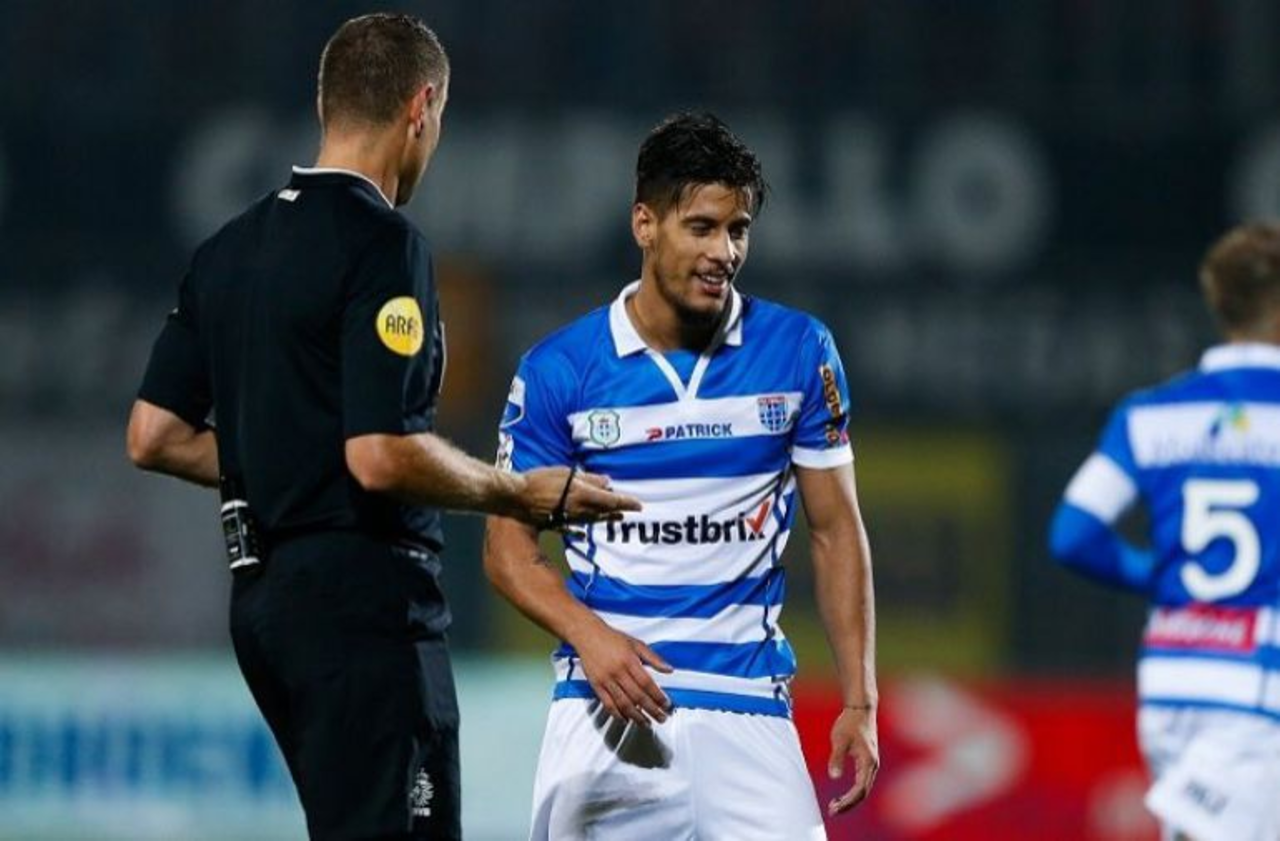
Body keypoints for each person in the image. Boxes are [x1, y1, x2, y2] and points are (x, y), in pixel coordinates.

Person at [125, 14, 638, 840]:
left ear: (325, 106)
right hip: (362, 603)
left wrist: (281, 458)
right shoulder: (382, 244)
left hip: (263, 606)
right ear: (420, 107)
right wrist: (517, 492)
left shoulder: (227, 249)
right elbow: (379, 454)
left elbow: (153, 433)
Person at [483, 112, 880, 840]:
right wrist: (590, 636)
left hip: (749, 707)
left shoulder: (798, 350)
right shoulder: (561, 370)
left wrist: (860, 699)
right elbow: (506, 552)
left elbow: (835, 530)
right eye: (702, 227)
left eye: (738, 230)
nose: (724, 252)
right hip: (606, 707)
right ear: (645, 223)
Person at [1050, 223, 1280, 841]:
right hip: (1259, 692)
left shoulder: (1152, 415)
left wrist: (1160, 576)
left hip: (1173, 677)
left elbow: (1073, 534)